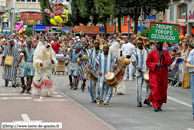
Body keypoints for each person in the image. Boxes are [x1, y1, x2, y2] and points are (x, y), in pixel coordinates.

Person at [146, 41, 172, 112]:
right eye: (157, 44)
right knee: (155, 89)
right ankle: (155, 105)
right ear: (155, 45)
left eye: (160, 44)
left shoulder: (165, 52)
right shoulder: (151, 53)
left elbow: (169, 62)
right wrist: (155, 64)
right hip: (154, 74)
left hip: (163, 74)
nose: (158, 45)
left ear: (162, 44)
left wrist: (163, 57)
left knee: (162, 90)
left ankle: (159, 105)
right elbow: (147, 62)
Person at [131, 38, 152, 107]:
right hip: (139, 72)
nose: (139, 45)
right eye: (137, 43)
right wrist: (137, 67)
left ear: (142, 44)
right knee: (138, 87)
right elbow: (133, 62)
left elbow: (150, 60)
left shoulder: (147, 51)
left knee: (149, 86)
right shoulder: (134, 52)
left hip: (147, 72)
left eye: (140, 43)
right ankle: (139, 101)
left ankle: (147, 99)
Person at [186, 49, 194, 120]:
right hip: (193, 76)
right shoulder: (192, 52)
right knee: (193, 99)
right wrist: (193, 66)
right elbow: (187, 64)